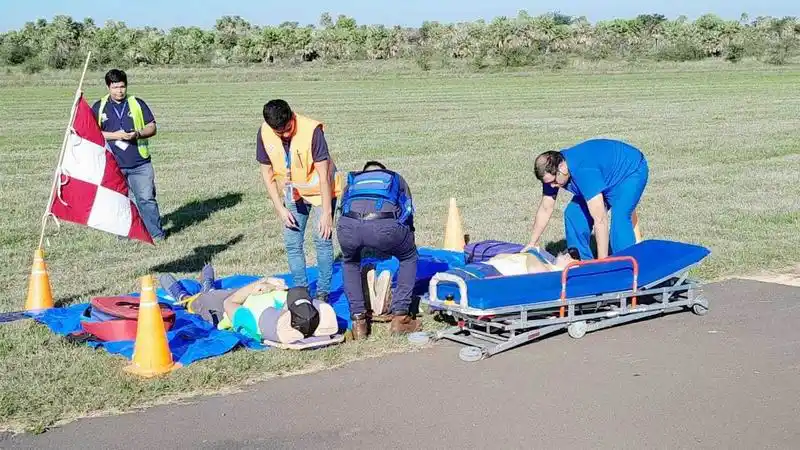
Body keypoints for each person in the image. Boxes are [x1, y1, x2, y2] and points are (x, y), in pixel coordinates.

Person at [256, 99, 343, 303]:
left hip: (322, 192)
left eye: (288, 129)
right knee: (292, 243)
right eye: (280, 132)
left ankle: (323, 292)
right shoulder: (264, 132)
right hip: (293, 192)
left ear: (292, 116)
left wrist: (327, 213)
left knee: (322, 240)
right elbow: (266, 173)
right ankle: (302, 292)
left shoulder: (312, 131)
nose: (285, 134)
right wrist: (279, 208)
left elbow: (324, 175)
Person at [525, 138, 649, 261]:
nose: (552, 186)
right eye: (547, 183)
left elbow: (600, 220)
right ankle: (582, 262)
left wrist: (602, 263)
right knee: (573, 214)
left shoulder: (583, 171)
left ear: (562, 167)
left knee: (620, 219)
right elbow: (546, 208)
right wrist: (532, 243)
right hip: (602, 177)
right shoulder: (552, 172)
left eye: (553, 182)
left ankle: (626, 266)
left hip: (630, 173)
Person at [336, 160, 419, 339]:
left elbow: (342, 209)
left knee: (350, 262)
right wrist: (408, 234)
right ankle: (401, 317)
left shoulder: (353, 181)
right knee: (409, 256)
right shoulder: (396, 179)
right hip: (384, 225)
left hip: (348, 227)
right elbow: (408, 210)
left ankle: (359, 322)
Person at [91, 69, 165, 241]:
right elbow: (93, 133)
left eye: (122, 87)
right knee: (120, 202)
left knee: (146, 199)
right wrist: (117, 135)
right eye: (115, 87)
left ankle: (156, 234)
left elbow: (152, 127)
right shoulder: (99, 106)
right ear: (108, 87)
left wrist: (137, 134)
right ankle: (125, 235)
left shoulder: (137, 103)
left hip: (140, 163)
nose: (119, 91)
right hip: (113, 164)